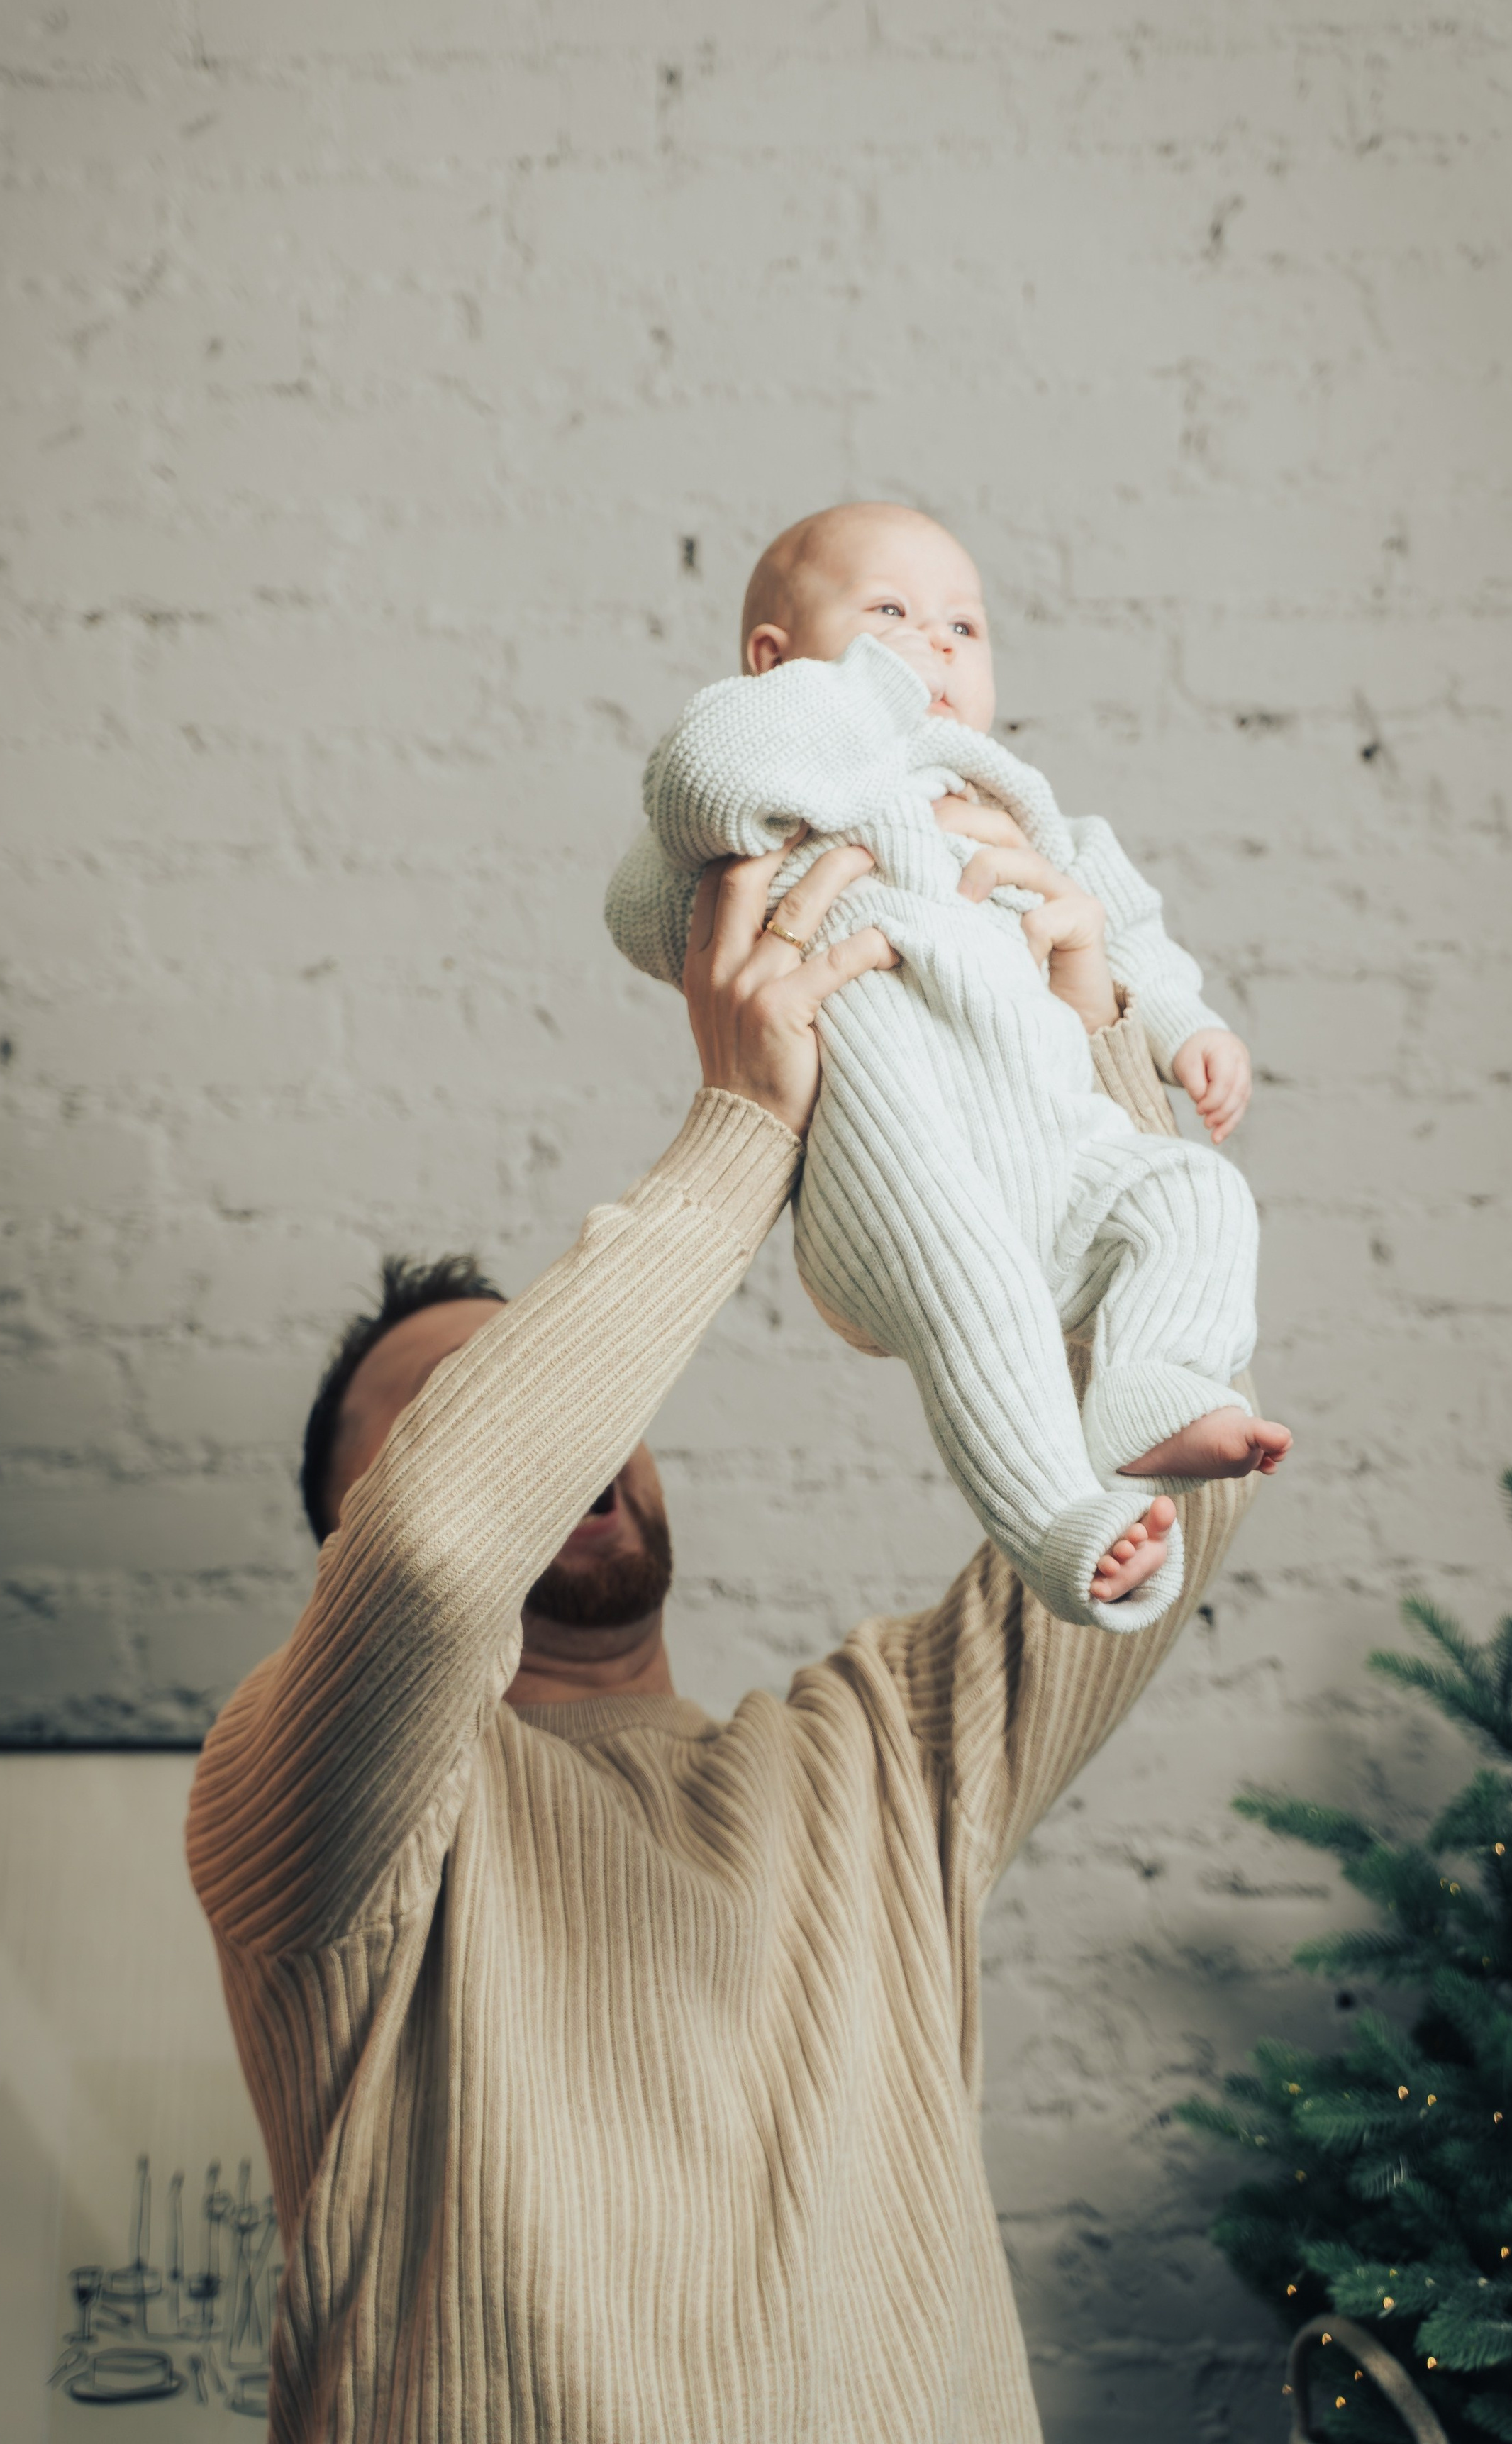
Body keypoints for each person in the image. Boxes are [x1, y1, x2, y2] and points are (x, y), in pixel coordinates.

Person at [187, 831, 1262, 2443]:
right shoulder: (286, 1806)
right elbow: (432, 1555)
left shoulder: (879, 1753)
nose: (570, 1431)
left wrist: (1076, 1054)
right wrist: (748, 1124)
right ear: (339, 1530)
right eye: (465, 1405)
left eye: (569, 1386)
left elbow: (1175, 1480)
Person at [606, 501, 1289, 1631]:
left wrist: (1182, 1025)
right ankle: (1062, 1524)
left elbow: (1119, 919)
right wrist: (851, 706)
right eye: (889, 614)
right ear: (773, 659)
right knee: (984, 1295)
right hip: (896, 1160)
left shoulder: (1011, 804)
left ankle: (1152, 1387)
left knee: (1197, 1194)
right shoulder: (766, 792)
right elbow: (653, 884)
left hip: (1055, 1148)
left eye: (964, 628)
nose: (933, 643)